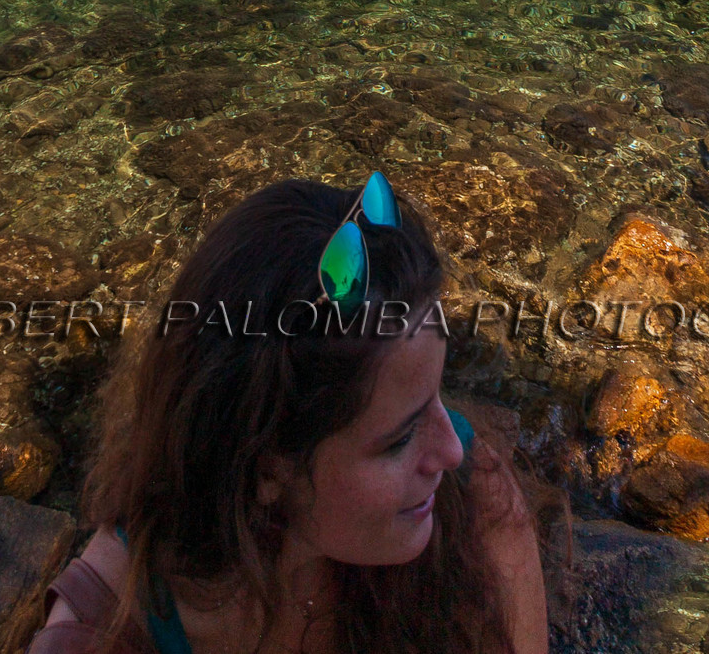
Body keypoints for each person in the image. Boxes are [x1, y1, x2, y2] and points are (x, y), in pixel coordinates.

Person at [30, 176, 550, 654]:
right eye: (399, 438)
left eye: (440, 394)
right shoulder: (103, 637)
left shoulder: (475, 505)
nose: (454, 448)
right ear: (266, 469)